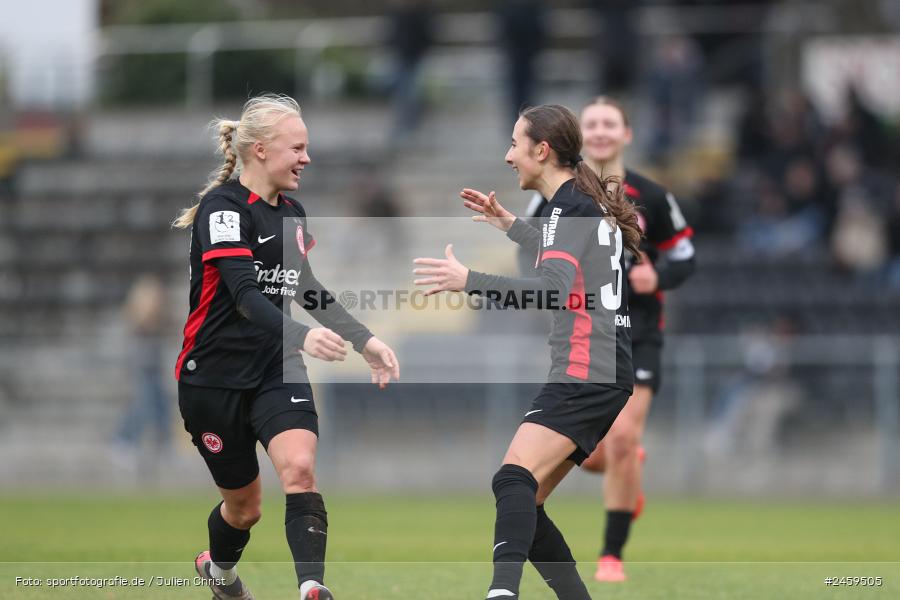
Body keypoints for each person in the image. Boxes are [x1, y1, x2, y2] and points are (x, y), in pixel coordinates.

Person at [172, 94, 399, 600]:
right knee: (245, 508)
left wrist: (365, 340)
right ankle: (222, 574)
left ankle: (312, 588)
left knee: (299, 469)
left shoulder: (293, 211)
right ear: (259, 151)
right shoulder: (222, 208)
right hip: (212, 378)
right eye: (297, 147)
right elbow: (245, 296)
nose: (306, 158)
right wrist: (302, 334)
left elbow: (306, 287)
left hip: (277, 368)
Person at [414, 104, 641, 600]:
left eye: (516, 144)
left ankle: (501, 593)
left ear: (542, 150)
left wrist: (467, 280)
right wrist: (510, 225)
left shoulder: (568, 207)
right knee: (525, 497)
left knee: (512, 479)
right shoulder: (577, 204)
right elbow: (570, 260)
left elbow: (552, 289)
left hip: (588, 365)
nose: (508, 155)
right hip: (602, 365)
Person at [577, 97, 695, 582]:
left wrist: (658, 277)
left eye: (610, 124)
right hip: (584, 332)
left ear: (626, 133)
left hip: (640, 332)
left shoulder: (652, 194)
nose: (601, 132)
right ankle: (627, 465)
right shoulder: (558, 194)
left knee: (623, 437)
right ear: (579, 135)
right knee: (588, 453)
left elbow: (687, 256)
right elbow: (528, 253)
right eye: (592, 124)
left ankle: (610, 557)